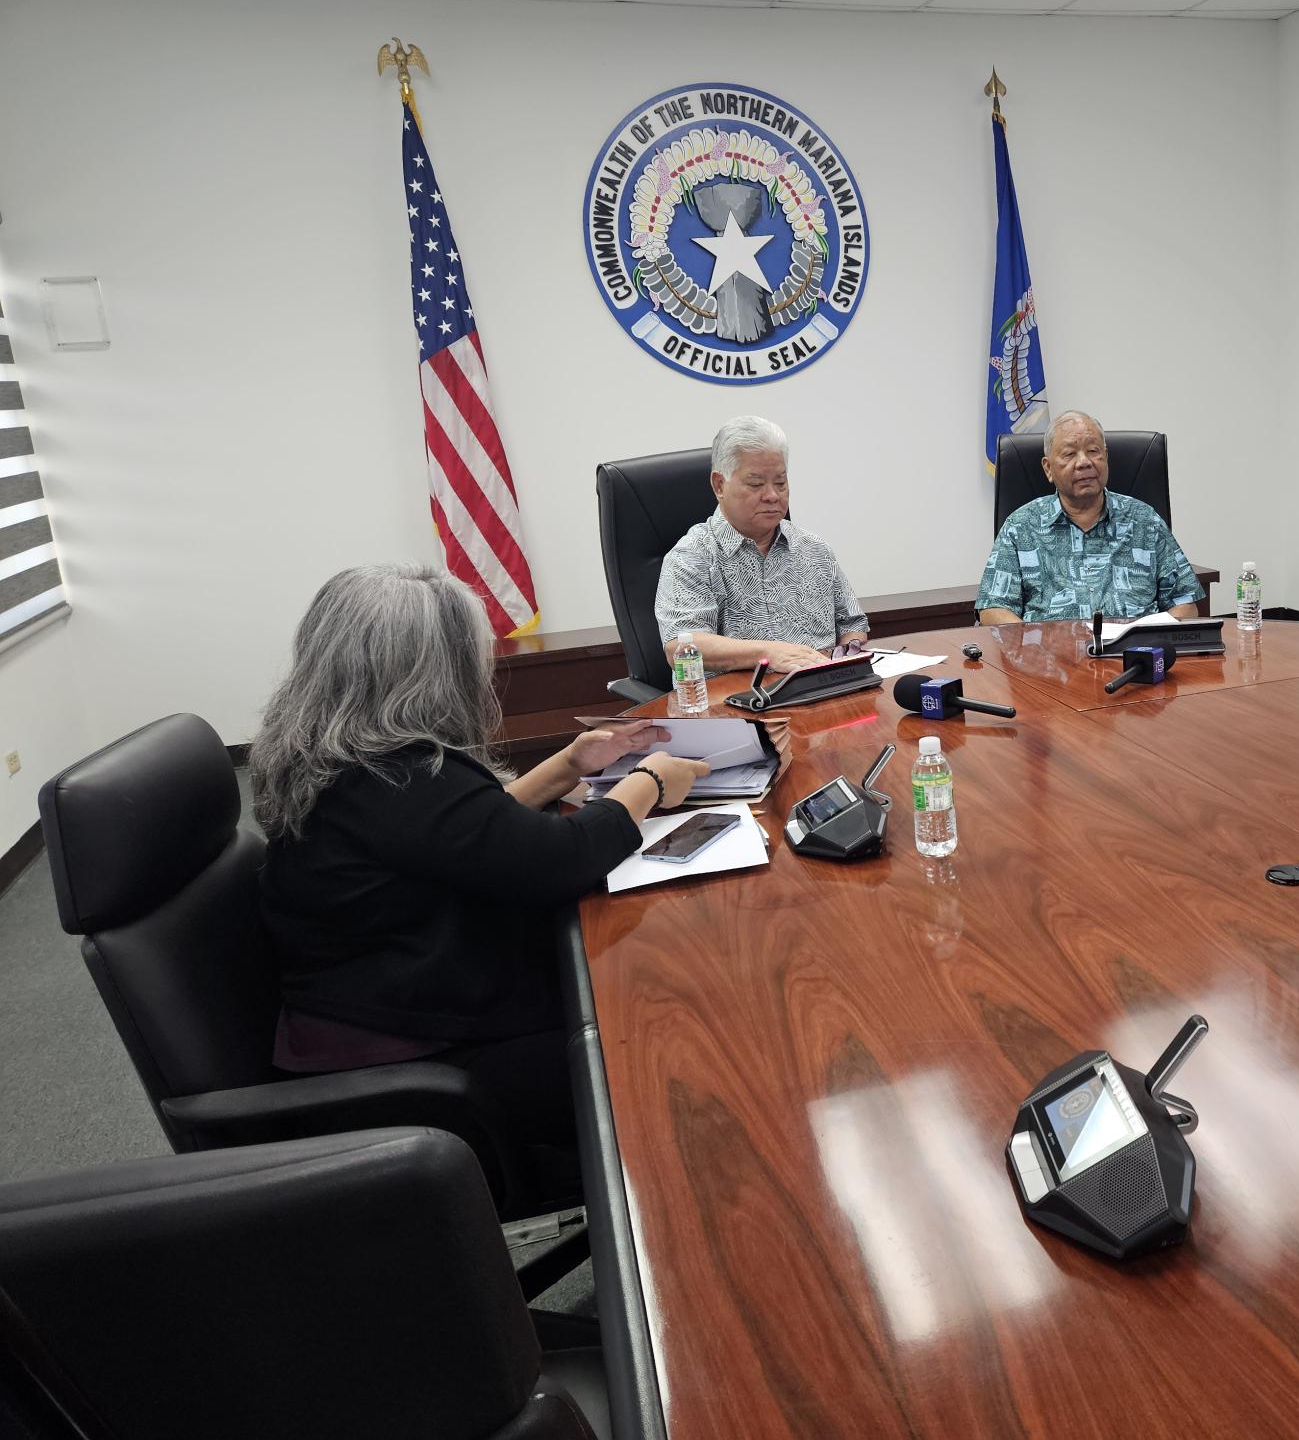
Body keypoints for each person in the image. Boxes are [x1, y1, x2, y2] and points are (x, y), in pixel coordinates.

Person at [250, 563, 710, 1163]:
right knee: (676, 1048)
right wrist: (649, 781)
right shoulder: (396, 776)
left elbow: (472, 831)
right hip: (408, 1059)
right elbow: (560, 860)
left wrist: (570, 764)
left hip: (389, 998)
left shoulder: (339, 752)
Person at [655, 415, 869, 673]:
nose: (772, 495)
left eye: (780, 483)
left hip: (822, 693)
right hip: (736, 703)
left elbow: (851, 623)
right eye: (756, 484)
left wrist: (850, 654)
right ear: (719, 485)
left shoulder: (815, 549)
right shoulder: (692, 557)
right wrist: (769, 652)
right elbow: (681, 645)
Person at [976, 410, 1204, 624]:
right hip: (1049, 662)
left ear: (1106, 457)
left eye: (1093, 451)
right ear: (1048, 469)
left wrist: (1151, 643)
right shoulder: (1021, 527)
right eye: (1069, 454)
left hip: (1134, 659)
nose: (1084, 462)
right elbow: (993, 609)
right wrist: (1035, 647)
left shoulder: (1145, 520)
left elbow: (1185, 604)